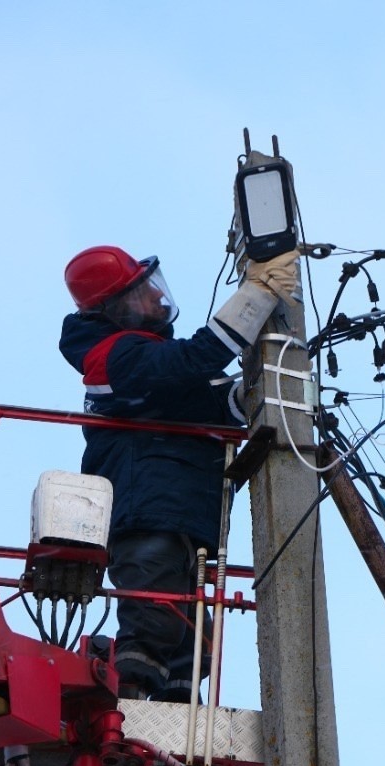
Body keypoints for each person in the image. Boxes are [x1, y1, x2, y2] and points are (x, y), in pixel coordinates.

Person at [59, 244, 300, 702]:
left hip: (186, 514)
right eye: (142, 290)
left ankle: (176, 707)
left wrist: (268, 392)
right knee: (154, 612)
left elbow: (211, 400)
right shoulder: (115, 357)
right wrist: (256, 295)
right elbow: (193, 361)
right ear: (119, 307)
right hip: (149, 511)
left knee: (193, 638)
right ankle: (128, 700)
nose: (156, 296)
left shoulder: (147, 363)